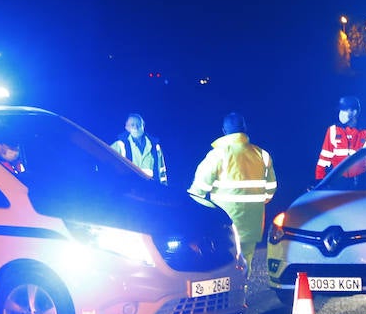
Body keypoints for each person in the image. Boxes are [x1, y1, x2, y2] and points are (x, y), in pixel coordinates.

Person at [188, 112, 277, 273]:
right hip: (253, 221)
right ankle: (243, 295)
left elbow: (198, 191)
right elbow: (270, 191)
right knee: (246, 261)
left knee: (224, 263)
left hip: (224, 222)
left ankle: (229, 296)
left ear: (224, 130)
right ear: (245, 129)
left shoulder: (218, 155)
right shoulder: (263, 155)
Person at [315, 95, 366, 181]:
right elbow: (323, 160)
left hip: (360, 185)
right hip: (337, 183)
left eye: (344, 110)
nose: (341, 113)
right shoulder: (333, 130)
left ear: (354, 112)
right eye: (341, 110)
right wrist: (319, 182)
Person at [110, 112, 168, 184]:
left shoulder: (155, 147)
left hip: (150, 190)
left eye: (138, 124)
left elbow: (162, 172)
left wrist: (164, 190)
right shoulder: (119, 145)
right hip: (128, 189)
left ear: (143, 125)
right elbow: (107, 161)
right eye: (132, 125)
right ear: (126, 127)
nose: (136, 127)